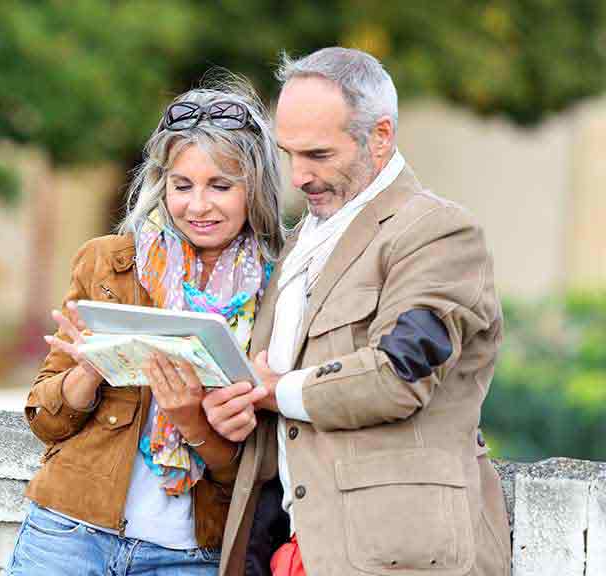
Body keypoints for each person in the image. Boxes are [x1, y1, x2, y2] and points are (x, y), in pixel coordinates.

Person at [203, 47, 512, 576]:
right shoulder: (299, 241)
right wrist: (233, 407)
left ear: (381, 136)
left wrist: (274, 389)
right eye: (289, 154)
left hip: (400, 554)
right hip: (286, 546)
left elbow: (398, 375)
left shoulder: (437, 232)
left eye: (319, 155)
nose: (298, 176)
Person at [6, 72, 286, 575]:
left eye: (220, 186)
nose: (197, 206)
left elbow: (254, 470)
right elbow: (45, 420)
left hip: (192, 553)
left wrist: (190, 419)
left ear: (256, 188)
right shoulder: (109, 263)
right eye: (182, 185)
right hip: (69, 534)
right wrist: (89, 370)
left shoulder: (281, 291)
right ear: (162, 183)